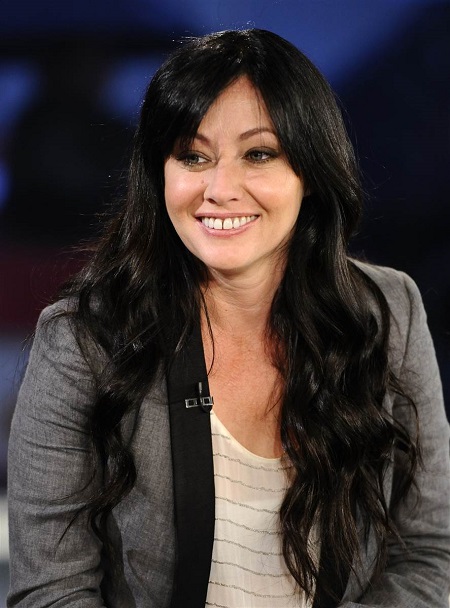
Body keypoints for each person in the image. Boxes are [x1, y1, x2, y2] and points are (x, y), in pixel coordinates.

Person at [7, 29, 450, 608]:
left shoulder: (387, 310)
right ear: (158, 173)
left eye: (258, 154)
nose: (220, 189)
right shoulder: (85, 338)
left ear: (311, 169)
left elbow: (430, 552)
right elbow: (50, 591)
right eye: (193, 156)